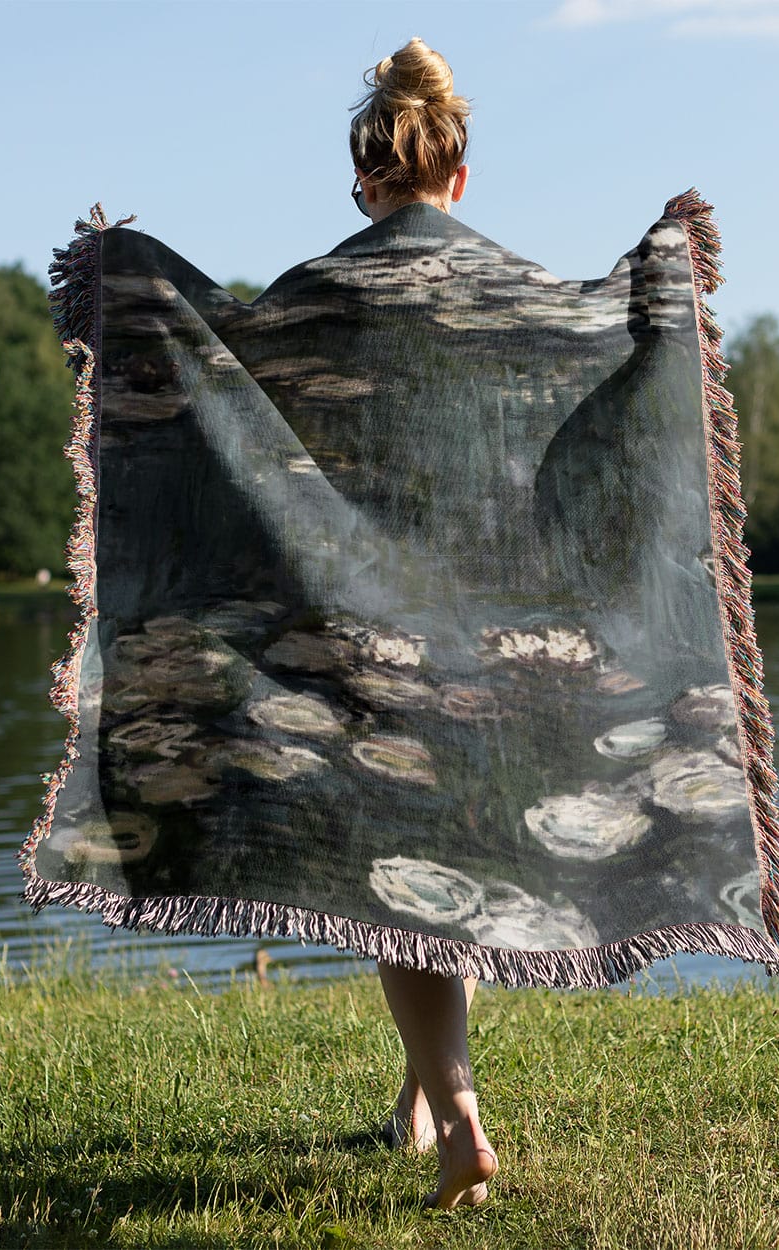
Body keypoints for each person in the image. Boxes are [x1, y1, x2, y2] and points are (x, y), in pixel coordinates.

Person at [346, 36, 499, 1212]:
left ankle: (457, 1117)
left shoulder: (325, 290)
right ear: (456, 175)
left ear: (367, 181)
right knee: (440, 870)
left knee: (395, 883)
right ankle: (413, 1099)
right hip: (490, 632)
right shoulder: (514, 290)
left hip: (367, 625)